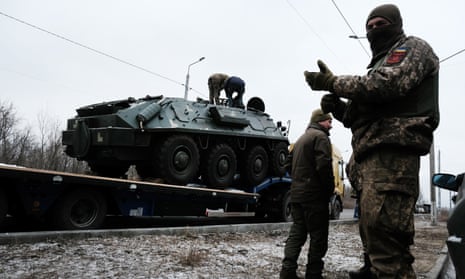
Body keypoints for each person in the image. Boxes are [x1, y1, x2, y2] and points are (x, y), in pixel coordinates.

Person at [304, 3, 439, 278]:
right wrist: (341, 108)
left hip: (392, 159)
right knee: (374, 238)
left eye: (381, 24)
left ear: (397, 24)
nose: (375, 30)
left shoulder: (413, 48)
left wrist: (332, 82)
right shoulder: (378, 64)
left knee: (389, 251)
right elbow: (361, 117)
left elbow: (387, 85)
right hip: (372, 161)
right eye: (370, 26)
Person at [280, 109, 335, 279]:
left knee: (297, 233)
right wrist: (328, 189)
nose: (331, 126)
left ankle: (287, 271)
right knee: (318, 237)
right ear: (320, 121)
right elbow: (324, 166)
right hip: (314, 197)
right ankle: (314, 273)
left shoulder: (301, 139)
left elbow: (287, 165)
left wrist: (299, 179)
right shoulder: (321, 138)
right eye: (329, 122)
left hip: (297, 195)